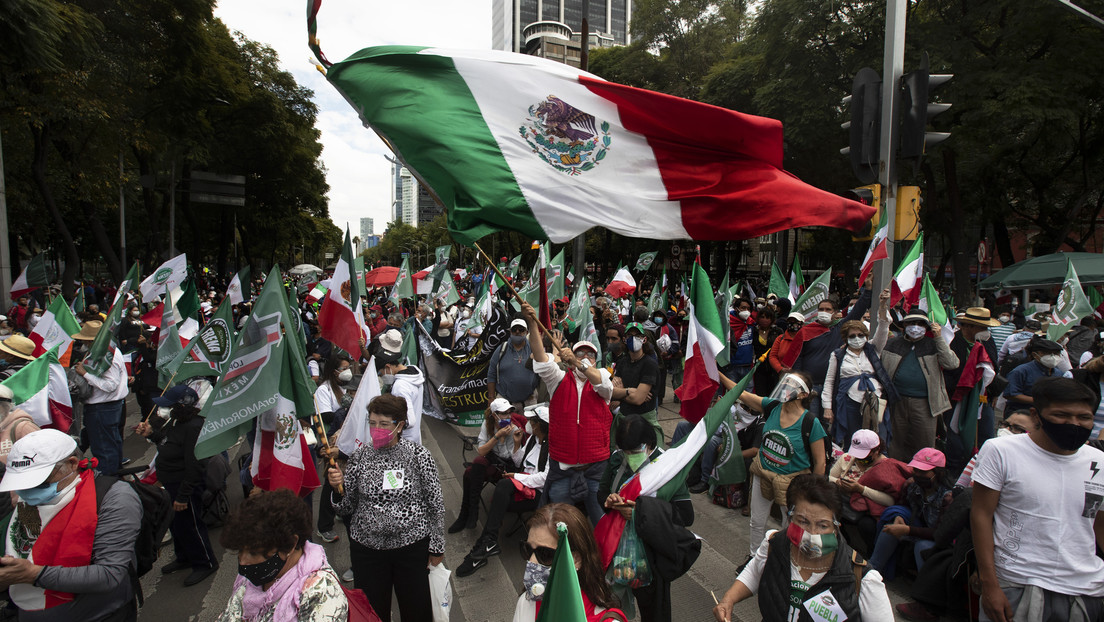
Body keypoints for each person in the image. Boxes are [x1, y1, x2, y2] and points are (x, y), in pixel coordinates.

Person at [971, 377, 1104, 621]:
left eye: (1084, 417)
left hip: (1086, 590)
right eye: (1062, 415)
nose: (1074, 424)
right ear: (1036, 415)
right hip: (1018, 583)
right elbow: (981, 515)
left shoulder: (1100, 462)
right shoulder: (1001, 451)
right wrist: (990, 585)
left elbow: (1098, 525)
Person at [0, 429, 142, 620]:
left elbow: (109, 574)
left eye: (38, 483)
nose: (27, 492)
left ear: (72, 464)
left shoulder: (114, 498)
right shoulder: (28, 499)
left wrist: (33, 574)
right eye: (21, 484)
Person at [326, 394, 444, 622]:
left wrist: (437, 546)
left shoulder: (419, 456)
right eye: (372, 423)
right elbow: (346, 506)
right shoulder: (360, 456)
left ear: (399, 426)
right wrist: (337, 488)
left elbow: (435, 504)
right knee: (372, 613)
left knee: (416, 610)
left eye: (383, 424)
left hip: (411, 549)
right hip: (368, 551)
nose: (376, 429)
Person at [712, 473, 893, 621]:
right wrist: (728, 601)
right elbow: (754, 573)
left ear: (837, 526)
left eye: (823, 525)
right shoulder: (774, 544)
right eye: (803, 521)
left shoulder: (861, 577)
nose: (812, 533)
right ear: (789, 517)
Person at [522, 301, 613, 525]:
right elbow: (541, 358)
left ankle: (601, 555)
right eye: (579, 352)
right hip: (563, 468)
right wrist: (533, 323)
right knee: (560, 521)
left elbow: (604, 384)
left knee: (599, 519)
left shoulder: (601, 377)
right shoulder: (559, 379)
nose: (584, 356)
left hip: (594, 469)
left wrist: (579, 364)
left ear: (595, 360)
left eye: (589, 354)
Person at [599, 415, 693, 622]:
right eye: (625, 451)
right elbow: (601, 494)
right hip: (616, 547)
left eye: (633, 452)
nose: (629, 456)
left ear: (649, 444)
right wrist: (612, 502)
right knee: (609, 606)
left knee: (653, 610)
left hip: (650, 554)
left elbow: (685, 515)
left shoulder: (668, 466)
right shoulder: (617, 459)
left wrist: (639, 513)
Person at [217, 488, 349, 622]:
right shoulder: (252, 577)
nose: (243, 561)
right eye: (240, 551)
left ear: (291, 544)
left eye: (253, 552)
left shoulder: (321, 593)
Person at [135, 385, 218, 587]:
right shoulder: (176, 422)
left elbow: (195, 464)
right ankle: (184, 557)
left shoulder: (193, 426)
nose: (166, 410)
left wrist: (183, 495)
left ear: (182, 406)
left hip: (184, 485)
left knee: (190, 525)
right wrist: (150, 434)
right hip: (171, 483)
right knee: (176, 523)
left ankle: (205, 562)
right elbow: (166, 443)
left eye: (170, 406)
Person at [737, 371, 828, 554]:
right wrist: (717, 373)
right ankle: (755, 557)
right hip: (763, 474)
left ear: (803, 394)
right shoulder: (773, 407)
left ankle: (784, 561)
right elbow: (743, 395)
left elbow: (820, 462)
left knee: (791, 526)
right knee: (756, 522)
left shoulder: (811, 423)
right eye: (785, 383)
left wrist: (812, 494)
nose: (786, 388)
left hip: (792, 483)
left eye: (793, 385)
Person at [456, 404, 550, 578]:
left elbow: (544, 478)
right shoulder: (531, 440)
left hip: (535, 494)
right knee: (481, 471)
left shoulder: (551, 447)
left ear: (538, 425)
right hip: (520, 484)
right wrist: (516, 444)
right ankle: (486, 539)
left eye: (531, 421)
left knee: (504, 485)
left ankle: (486, 542)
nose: (527, 423)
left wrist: (517, 477)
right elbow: (519, 460)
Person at [512, 503, 626, 622]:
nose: (531, 561)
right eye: (528, 549)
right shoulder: (527, 602)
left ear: (576, 560)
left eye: (545, 554)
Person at [876, 305, 960, 462]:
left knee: (924, 442)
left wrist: (939, 338)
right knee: (896, 441)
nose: (915, 327)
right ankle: (897, 473)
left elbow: (952, 363)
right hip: (897, 401)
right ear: (904, 326)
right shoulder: (893, 344)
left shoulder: (933, 344)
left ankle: (923, 476)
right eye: (911, 323)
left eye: (921, 324)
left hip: (925, 403)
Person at [785, 280, 873, 420]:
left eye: (828, 310)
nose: (824, 312)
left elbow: (858, 310)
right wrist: (799, 383)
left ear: (835, 313)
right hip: (810, 386)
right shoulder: (806, 331)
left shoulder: (840, 329)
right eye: (821, 309)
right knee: (810, 421)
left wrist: (868, 290)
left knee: (828, 423)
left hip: (832, 387)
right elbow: (797, 358)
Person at [866, 448, 953, 580]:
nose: (917, 475)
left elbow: (940, 533)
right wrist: (899, 517)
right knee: (890, 528)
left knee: (922, 546)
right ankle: (872, 570)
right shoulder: (913, 487)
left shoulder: (948, 497)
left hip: (942, 540)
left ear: (938, 473)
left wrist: (907, 530)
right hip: (918, 528)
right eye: (915, 470)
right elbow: (904, 506)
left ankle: (925, 590)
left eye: (923, 472)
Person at [451, 398, 525, 533]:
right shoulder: (487, 424)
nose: (508, 417)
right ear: (494, 415)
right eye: (503, 413)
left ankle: (468, 513)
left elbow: (517, 462)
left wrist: (516, 443)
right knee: (473, 468)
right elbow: (481, 451)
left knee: (471, 470)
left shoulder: (514, 429)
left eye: (509, 413)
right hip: (492, 463)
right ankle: (468, 513)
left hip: (506, 469)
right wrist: (497, 436)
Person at [822, 319, 896, 449]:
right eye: (852, 336)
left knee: (878, 437)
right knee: (853, 439)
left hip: (875, 401)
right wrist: (827, 407)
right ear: (846, 338)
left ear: (866, 336)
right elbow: (829, 381)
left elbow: (883, 328)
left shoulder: (873, 349)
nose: (857, 338)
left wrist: (883, 306)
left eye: (860, 335)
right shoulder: (838, 355)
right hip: (849, 403)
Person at [944, 307, 1001, 472]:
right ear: (967, 327)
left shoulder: (987, 342)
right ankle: (955, 470)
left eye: (986, 328)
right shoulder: (953, 344)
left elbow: (994, 367)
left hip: (983, 399)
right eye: (981, 327)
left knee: (985, 435)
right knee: (956, 438)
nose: (985, 331)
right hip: (959, 399)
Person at [73, 321, 128, 476]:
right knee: (112, 444)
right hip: (109, 407)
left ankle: (108, 482)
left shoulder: (106, 354)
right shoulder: (110, 350)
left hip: (102, 408)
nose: (83, 343)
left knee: (104, 449)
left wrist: (85, 374)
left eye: (85, 340)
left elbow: (110, 385)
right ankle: (115, 477)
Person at [611, 322, 663, 448]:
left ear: (644, 339)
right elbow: (612, 391)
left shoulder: (649, 365)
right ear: (624, 339)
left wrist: (622, 392)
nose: (633, 339)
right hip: (623, 422)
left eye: (637, 335)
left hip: (644, 423)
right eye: (630, 335)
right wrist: (630, 392)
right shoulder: (622, 362)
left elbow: (638, 399)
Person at [374, 329, 425, 445]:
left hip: (403, 441)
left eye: (381, 373)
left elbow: (409, 420)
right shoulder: (413, 373)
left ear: (387, 367)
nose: (382, 376)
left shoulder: (400, 387)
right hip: (414, 436)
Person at [1002, 337, 1072, 413]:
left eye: (1056, 353)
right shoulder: (1021, 371)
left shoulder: (1059, 374)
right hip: (1021, 412)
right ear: (1035, 355)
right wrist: (1040, 401)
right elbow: (1010, 394)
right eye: (1048, 353)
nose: (1053, 357)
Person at [487, 318, 540, 411]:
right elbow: (492, 373)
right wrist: (491, 397)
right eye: (514, 329)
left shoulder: (533, 349)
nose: (518, 332)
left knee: (530, 426)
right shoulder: (501, 349)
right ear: (510, 332)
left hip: (529, 402)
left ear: (527, 332)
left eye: (521, 329)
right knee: (504, 426)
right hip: (505, 403)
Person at [751, 308, 782, 397]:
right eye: (762, 317)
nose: (764, 320)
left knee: (773, 394)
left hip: (773, 368)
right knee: (760, 394)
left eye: (767, 317)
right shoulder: (753, 331)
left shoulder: (777, 331)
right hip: (758, 368)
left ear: (772, 319)